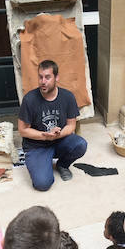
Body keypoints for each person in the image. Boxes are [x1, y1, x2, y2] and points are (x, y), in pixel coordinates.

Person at [17, 60, 87, 191]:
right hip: (36, 146)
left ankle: (62, 165)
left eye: (47, 77)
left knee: (80, 144)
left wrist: (58, 135)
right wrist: (44, 136)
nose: (43, 81)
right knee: (42, 184)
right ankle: (43, 163)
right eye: (40, 77)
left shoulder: (68, 97)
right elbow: (23, 130)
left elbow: (71, 125)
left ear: (57, 77)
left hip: (59, 141)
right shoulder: (29, 99)